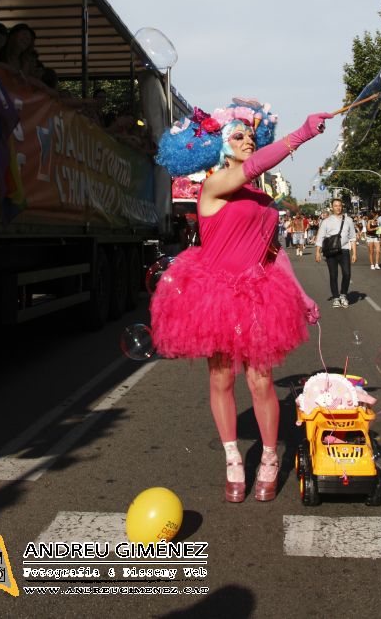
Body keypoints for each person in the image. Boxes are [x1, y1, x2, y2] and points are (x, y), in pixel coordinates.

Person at [150, 101, 332, 503]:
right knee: (221, 378)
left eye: (250, 135)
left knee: (261, 380)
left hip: (258, 295)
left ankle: (269, 458)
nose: (248, 140)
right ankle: (233, 459)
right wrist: (300, 133)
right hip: (214, 295)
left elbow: (273, 254)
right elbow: (251, 168)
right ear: (221, 147)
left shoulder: (264, 201)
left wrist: (301, 296)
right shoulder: (214, 186)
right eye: (238, 135)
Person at [315, 198, 357, 307]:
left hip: (344, 250)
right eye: (335, 206)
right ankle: (336, 297)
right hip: (331, 252)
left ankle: (343, 295)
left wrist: (354, 253)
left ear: (342, 207)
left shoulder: (348, 220)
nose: (338, 207)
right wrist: (317, 253)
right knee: (333, 275)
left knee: (347, 274)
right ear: (332, 207)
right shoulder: (326, 221)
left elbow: (352, 237)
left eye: (339, 205)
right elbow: (320, 237)